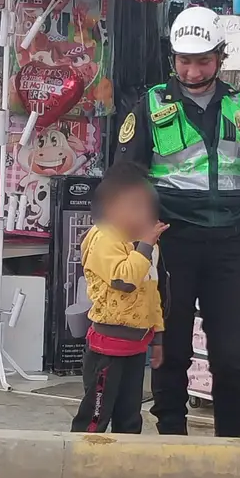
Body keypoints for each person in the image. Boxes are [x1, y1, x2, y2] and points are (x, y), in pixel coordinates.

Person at [114, 6, 240, 438]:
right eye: (184, 60)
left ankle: (230, 441)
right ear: (172, 58)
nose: (193, 70)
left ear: (220, 57)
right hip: (171, 243)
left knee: (232, 353)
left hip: (231, 244)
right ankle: (173, 437)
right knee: (170, 351)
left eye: (203, 60)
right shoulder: (150, 105)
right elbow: (124, 179)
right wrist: (131, 241)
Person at [70, 161, 170, 434]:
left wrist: (158, 338)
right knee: (96, 415)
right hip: (107, 348)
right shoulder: (104, 238)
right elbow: (124, 280)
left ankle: (123, 467)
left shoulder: (144, 243)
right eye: (135, 206)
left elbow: (153, 292)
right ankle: (85, 464)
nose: (144, 214)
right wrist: (146, 245)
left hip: (137, 347)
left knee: (129, 417)